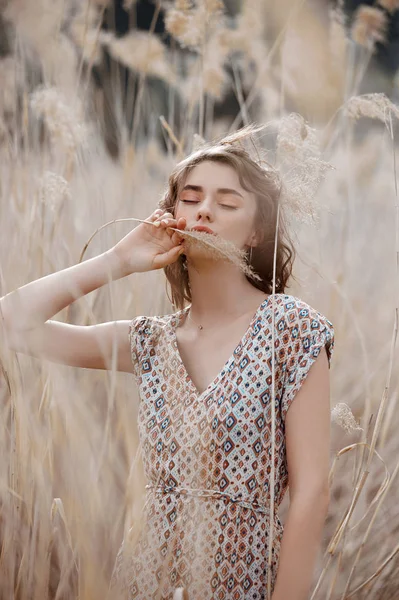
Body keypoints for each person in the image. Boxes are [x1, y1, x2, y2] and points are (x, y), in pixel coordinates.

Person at [0, 129, 334, 600]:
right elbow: (10, 323)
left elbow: (312, 492)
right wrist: (119, 258)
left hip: (242, 579)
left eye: (227, 202)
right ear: (172, 217)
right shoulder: (151, 342)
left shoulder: (291, 329)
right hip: (145, 577)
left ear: (258, 229)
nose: (203, 211)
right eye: (191, 198)